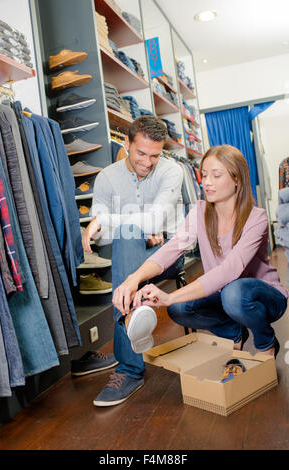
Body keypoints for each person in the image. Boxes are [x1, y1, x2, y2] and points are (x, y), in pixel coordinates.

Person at [114, 144, 288, 377]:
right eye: (204, 175)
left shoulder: (256, 217)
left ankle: (266, 342)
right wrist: (132, 279)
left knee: (233, 293)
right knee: (178, 308)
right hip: (224, 294)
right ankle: (234, 335)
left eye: (216, 175)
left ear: (237, 179)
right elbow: (172, 248)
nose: (207, 182)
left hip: (264, 296)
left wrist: (168, 296)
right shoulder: (199, 212)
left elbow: (229, 271)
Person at [81, 115, 185, 406]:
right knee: (128, 235)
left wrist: (105, 221)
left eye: (155, 155)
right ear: (125, 143)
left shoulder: (172, 170)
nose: (148, 162)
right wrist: (137, 231)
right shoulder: (106, 178)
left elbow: (156, 220)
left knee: (127, 232)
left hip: (169, 256)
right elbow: (100, 240)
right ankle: (129, 326)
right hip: (131, 255)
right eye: (141, 153)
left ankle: (128, 367)